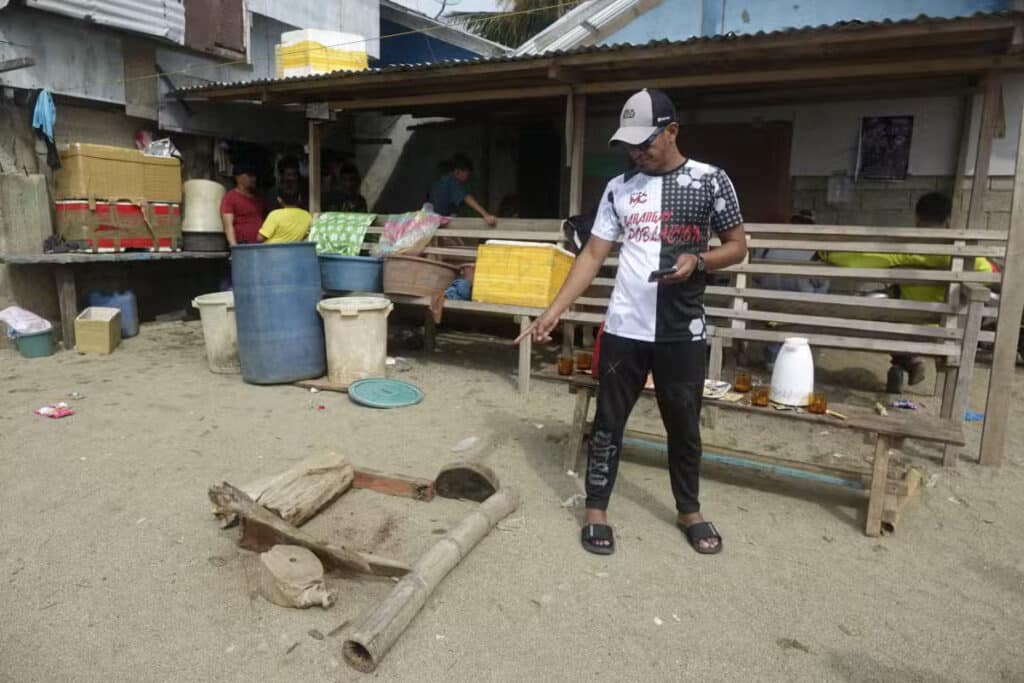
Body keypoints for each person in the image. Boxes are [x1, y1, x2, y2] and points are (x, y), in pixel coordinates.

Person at [518, 88, 747, 556]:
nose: (636, 152)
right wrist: (553, 311)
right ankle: (596, 509)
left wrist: (698, 262)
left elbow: (739, 245)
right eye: (629, 145)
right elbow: (593, 255)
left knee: (683, 424)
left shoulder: (710, 181)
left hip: (682, 330)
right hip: (624, 328)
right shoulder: (619, 188)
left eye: (645, 143)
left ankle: (690, 510)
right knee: (608, 422)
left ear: (673, 131)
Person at [820, 192, 997, 392]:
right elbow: (987, 272)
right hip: (947, 329)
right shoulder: (959, 253)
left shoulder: (907, 248)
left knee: (880, 311)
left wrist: (826, 252)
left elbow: (859, 259)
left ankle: (908, 361)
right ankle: (909, 362)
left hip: (906, 326)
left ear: (917, 219)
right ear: (948, 220)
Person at [429, 154, 496, 226]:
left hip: (432, 220)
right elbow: (467, 198)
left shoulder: (441, 180)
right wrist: (486, 215)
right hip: (437, 223)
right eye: (467, 174)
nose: (467, 178)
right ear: (458, 171)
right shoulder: (451, 181)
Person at [220, 163, 266, 246]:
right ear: (238, 177)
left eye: (254, 176)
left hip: (260, 246)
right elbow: (228, 226)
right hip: (243, 246)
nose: (253, 179)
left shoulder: (259, 198)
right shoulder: (230, 197)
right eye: (249, 176)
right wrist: (234, 247)